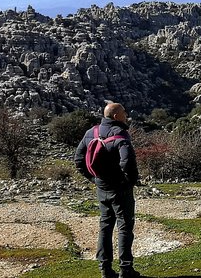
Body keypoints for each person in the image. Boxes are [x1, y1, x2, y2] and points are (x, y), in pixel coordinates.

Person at [74, 103, 140, 278]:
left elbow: (78, 160)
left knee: (105, 226)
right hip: (120, 188)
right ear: (117, 116)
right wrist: (130, 181)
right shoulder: (121, 135)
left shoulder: (91, 133)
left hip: (102, 188)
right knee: (125, 227)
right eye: (124, 112)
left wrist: (94, 180)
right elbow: (127, 162)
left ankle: (105, 269)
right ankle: (126, 269)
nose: (126, 114)